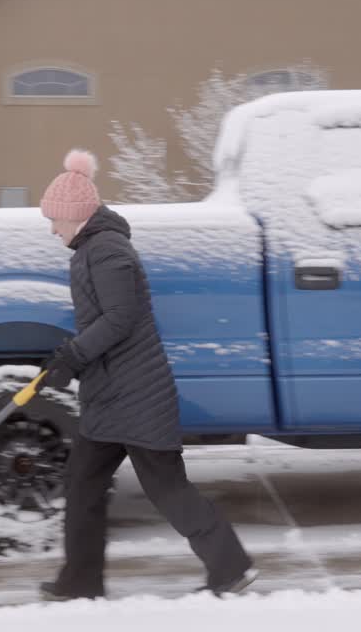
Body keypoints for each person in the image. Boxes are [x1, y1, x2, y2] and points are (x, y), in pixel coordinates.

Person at [36, 148, 257, 600]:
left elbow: (120, 318)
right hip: (110, 396)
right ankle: (80, 581)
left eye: (55, 219)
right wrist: (69, 361)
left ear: (75, 216)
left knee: (167, 487)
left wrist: (73, 355)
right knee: (82, 484)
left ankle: (230, 567)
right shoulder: (92, 250)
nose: (52, 228)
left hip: (136, 395)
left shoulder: (108, 250)